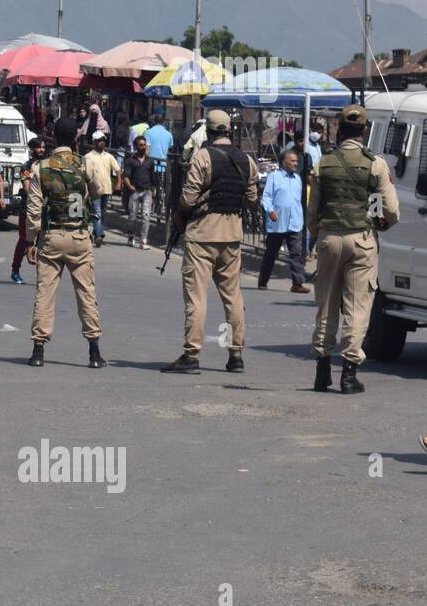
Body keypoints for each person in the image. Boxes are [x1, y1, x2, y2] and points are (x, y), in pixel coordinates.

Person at [308, 104, 399, 393]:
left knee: (326, 302)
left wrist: (320, 235)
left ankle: (322, 370)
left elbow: (312, 211)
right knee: (359, 305)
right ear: (364, 131)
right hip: (361, 239)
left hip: (329, 238)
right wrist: (379, 224)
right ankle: (348, 373)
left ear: (340, 129)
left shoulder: (324, 162)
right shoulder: (375, 164)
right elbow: (391, 210)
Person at [162, 109, 257, 375]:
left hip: (203, 236)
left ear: (209, 132)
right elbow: (251, 200)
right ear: (229, 130)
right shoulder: (246, 160)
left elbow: (188, 199)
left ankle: (191, 355)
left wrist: (180, 215)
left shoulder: (202, 157)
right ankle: (235, 354)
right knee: (233, 297)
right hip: (232, 236)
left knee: (197, 297)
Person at [25, 117, 106, 370]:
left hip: (51, 237)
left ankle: (38, 350)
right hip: (80, 236)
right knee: (87, 293)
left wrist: (31, 240)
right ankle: (94, 352)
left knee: (45, 293)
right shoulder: (85, 164)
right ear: (75, 139)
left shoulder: (41, 167)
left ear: (52, 137)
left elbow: (34, 208)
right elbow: (98, 190)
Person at [258, 149, 310, 294]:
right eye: (292, 161)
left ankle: (297, 283)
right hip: (277, 222)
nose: (295, 163)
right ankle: (263, 281)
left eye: (296, 161)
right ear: (284, 162)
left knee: (296, 254)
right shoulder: (274, 177)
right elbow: (266, 196)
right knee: (271, 253)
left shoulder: (298, 179)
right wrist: (270, 210)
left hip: (295, 221)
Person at [11, 137, 47, 283]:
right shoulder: (26, 167)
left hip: (44, 208)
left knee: (43, 242)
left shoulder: (46, 165)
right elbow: (27, 188)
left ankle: (43, 273)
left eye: (43, 147)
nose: (42, 150)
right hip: (28, 209)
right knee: (24, 239)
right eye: (39, 147)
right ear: (32, 150)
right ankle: (15, 269)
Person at [83, 132, 120, 247]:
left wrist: (119, 182)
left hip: (107, 188)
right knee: (97, 211)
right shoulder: (88, 157)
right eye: (99, 140)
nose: (102, 142)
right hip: (94, 190)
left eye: (103, 140)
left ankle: (95, 232)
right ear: (94, 142)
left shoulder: (109, 156)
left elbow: (118, 170)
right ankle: (99, 235)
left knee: (102, 213)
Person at [122, 135, 157, 250]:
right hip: (135, 191)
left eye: (144, 145)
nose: (143, 147)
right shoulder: (130, 161)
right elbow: (126, 176)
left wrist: (154, 190)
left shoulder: (150, 161)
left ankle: (143, 240)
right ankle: (131, 236)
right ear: (136, 146)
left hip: (147, 192)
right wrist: (130, 186)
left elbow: (153, 178)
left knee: (146, 216)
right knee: (132, 216)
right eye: (140, 145)